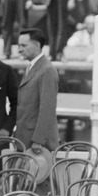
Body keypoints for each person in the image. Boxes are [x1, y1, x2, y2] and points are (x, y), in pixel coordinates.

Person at [14, 28, 59, 156]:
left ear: (37, 45)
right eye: (19, 45)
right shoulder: (31, 67)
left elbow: (47, 109)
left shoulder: (47, 70)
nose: (19, 50)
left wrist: (38, 140)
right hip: (25, 139)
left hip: (37, 144)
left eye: (23, 45)